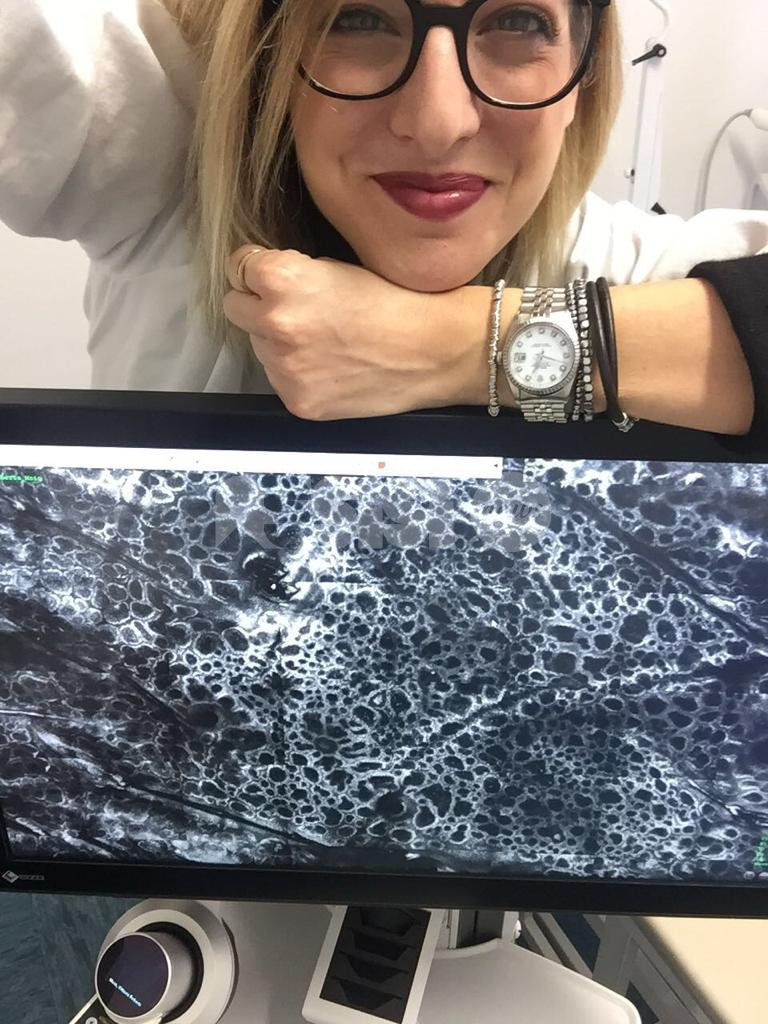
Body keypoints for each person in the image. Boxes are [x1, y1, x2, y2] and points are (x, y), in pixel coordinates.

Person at [2, 0, 767, 439]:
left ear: (583, 75)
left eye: (518, 20)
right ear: (274, 54)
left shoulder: (627, 267)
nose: (437, 124)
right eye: (360, 16)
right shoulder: (159, 162)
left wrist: (452, 347)